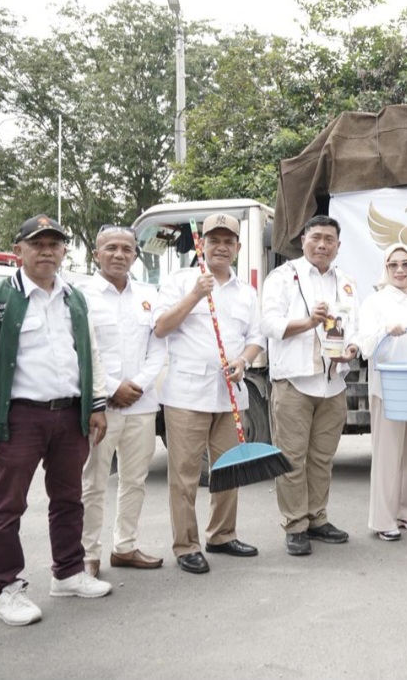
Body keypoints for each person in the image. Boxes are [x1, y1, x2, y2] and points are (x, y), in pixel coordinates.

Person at [0, 214, 111, 626]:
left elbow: (90, 355)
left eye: (54, 244)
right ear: (18, 250)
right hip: (19, 417)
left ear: (64, 251)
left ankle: (68, 573)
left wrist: (96, 404)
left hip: (69, 415)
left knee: (68, 499)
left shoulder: (73, 298)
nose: (47, 250)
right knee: (7, 505)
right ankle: (6, 589)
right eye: (37, 243)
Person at [153, 213, 266, 574]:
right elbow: (161, 327)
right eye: (213, 240)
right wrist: (194, 296)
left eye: (228, 240)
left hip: (230, 392)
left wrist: (244, 362)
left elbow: (256, 339)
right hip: (187, 394)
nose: (221, 246)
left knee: (228, 470)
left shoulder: (246, 293)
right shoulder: (180, 281)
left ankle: (222, 534)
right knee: (185, 475)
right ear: (201, 244)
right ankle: (186, 544)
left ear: (237, 247)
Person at [260, 215, 360, 557]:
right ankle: (295, 524)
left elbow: (355, 326)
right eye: (316, 237)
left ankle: (317, 519)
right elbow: (269, 324)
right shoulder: (283, 277)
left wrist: (353, 348)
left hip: (332, 384)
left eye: (329, 239)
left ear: (338, 245)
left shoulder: (346, 282)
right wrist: (308, 322)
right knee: (291, 459)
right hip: (295, 383)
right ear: (303, 240)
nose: (322, 245)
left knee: (322, 459)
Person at [78, 224, 166, 577]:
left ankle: (125, 546)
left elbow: (159, 345)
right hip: (101, 407)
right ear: (96, 254)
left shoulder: (149, 294)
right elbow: (82, 350)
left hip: (142, 406)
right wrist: (112, 387)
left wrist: (139, 385)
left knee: (135, 480)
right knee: (94, 482)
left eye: (127, 249)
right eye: (111, 248)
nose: (119, 254)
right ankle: (87, 554)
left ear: (135, 255)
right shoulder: (81, 295)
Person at [357, 243, 407, 541]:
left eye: (406, 264)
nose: (400, 270)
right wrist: (386, 329)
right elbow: (364, 346)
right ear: (385, 269)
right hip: (388, 387)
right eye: (393, 265)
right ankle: (383, 519)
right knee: (388, 454)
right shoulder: (374, 302)